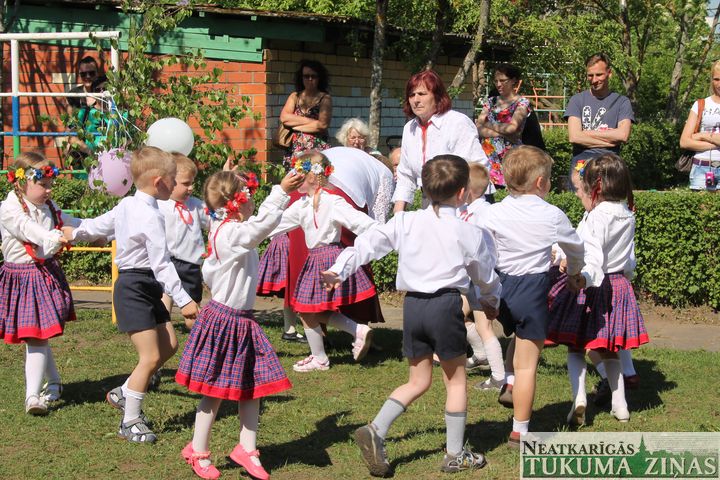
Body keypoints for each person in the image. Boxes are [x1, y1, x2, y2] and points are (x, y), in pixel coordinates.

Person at [323, 155, 500, 475]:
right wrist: (491, 299)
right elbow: (485, 275)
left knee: (418, 380)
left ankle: (376, 429)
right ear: (463, 192)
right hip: (445, 306)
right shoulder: (467, 232)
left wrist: (339, 270)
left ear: (424, 189)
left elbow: (367, 244)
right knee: (456, 381)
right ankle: (455, 454)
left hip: (414, 307)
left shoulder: (405, 222)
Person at [65, 146, 199, 443]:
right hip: (134, 286)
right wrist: (185, 300)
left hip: (146, 285)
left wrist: (75, 231)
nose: (175, 184)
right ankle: (130, 420)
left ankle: (124, 392)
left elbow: (96, 226)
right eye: (173, 178)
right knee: (150, 356)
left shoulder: (129, 204)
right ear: (158, 181)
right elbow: (161, 263)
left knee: (169, 345)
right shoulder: (149, 215)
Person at [176, 169, 304, 480]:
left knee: (252, 385)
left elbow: (264, 223)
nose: (253, 201)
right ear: (236, 202)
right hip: (224, 321)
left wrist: (296, 199)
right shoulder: (230, 234)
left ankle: (247, 448)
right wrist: (281, 192)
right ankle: (198, 450)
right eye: (249, 196)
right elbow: (260, 228)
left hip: (241, 321)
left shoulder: (233, 228)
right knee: (214, 390)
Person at [482, 145, 585, 447]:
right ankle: (520, 431)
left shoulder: (492, 212)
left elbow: (481, 252)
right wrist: (574, 273)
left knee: (516, 339)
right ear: (541, 182)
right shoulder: (552, 214)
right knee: (528, 364)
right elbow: (575, 248)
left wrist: (485, 294)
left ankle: (509, 381)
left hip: (500, 287)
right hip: (532, 290)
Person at [547, 154, 648, 426]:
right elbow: (628, 259)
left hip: (593, 286)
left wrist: (581, 278)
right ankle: (620, 404)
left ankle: (579, 397)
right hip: (618, 285)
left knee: (576, 346)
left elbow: (592, 256)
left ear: (596, 187)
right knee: (610, 348)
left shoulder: (596, 217)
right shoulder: (627, 214)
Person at [270, 150, 378, 372]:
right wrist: (248, 231)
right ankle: (350, 335)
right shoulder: (302, 204)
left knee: (306, 309)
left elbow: (361, 222)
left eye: (298, 173)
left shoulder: (332, 201)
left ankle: (322, 356)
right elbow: (274, 225)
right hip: (318, 260)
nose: (294, 177)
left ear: (311, 176)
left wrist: (383, 235)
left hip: (328, 259)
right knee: (309, 309)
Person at [0, 152, 78, 415]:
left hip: (44, 274)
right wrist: (53, 238)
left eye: (50, 184)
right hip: (22, 278)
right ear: (22, 182)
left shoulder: (49, 206)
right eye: (43, 184)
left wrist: (94, 230)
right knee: (36, 336)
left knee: (38, 336)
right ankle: (36, 394)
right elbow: (27, 229)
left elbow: (70, 223)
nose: (49, 189)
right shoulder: (10, 208)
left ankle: (44, 389)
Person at [393, 69, 489, 212]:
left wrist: (467, 212)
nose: (416, 100)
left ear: (437, 96)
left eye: (422, 94)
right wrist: (398, 216)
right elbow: (405, 175)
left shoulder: (457, 122)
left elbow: (477, 168)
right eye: (412, 95)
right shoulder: (409, 128)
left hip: (464, 201)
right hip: (429, 201)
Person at [458, 164, 506, 391]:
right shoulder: (466, 210)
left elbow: (488, 246)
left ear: (467, 189)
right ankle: (480, 354)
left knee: (485, 326)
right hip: (469, 277)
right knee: (456, 313)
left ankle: (498, 377)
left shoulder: (485, 213)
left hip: (482, 276)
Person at [158, 153, 210, 324]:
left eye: (192, 183)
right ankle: (163, 330)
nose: (191, 187)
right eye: (186, 183)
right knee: (163, 305)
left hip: (190, 266)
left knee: (192, 314)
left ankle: (196, 331)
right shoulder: (158, 205)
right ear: (169, 182)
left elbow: (213, 221)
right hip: (166, 263)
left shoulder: (195, 205)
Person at [564, 53, 634, 173]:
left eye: (599, 75)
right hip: (581, 167)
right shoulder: (577, 100)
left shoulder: (622, 102)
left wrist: (586, 133)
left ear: (609, 73)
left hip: (610, 167)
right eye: (590, 75)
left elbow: (623, 135)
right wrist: (609, 141)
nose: (594, 80)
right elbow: (574, 137)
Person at [476, 64, 531, 187]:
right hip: (488, 157)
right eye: (496, 81)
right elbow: (478, 126)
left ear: (513, 80)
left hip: (510, 158)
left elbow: (512, 128)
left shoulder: (522, 103)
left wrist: (486, 124)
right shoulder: (491, 101)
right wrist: (503, 133)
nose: (498, 84)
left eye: (502, 80)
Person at [280, 59, 332, 166]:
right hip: (294, 149)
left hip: (316, 149)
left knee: (316, 175)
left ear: (319, 78)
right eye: (306, 76)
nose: (310, 79)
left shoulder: (325, 98)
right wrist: (313, 123)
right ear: (301, 78)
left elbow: (322, 125)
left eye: (314, 76)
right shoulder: (295, 96)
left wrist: (294, 126)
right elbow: (284, 118)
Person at [679, 60, 720, 191]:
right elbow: (684, 142)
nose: (719, 84)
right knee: (702, 205)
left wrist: (702, 136)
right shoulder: (700, 104)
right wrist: (715, 142)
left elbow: (692, 138)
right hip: (701, 168)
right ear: (711, 80)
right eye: (716, 79)